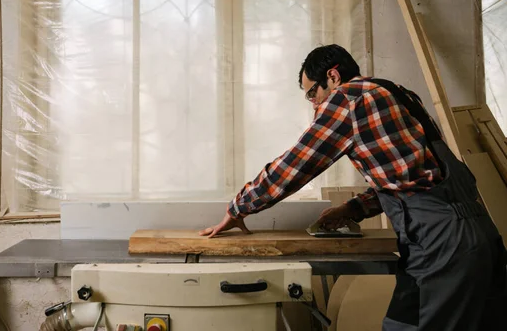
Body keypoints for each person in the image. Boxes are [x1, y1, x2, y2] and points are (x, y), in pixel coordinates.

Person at [200, 44, 507, 330]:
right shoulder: (398, 93)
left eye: (311, 94)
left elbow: (294, 166)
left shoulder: (347, 99)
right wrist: (354, 209)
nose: (313, 105)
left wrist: (238, 207)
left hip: (440, 242)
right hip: (479, 233)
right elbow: (414, 174)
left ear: (332, 76)